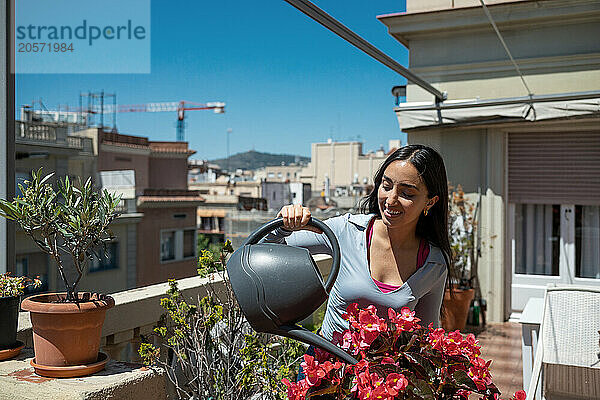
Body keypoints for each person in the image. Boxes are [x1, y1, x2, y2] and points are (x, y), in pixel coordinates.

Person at [261, 144, 452, 343]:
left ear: (430, 202)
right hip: (323, 368)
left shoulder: (434, 263)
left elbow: (425, 337)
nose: (391, 200)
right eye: (386, 186)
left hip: (381, 374)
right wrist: (283, 224)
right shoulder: (346, 231)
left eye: (407, 194)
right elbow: (265, 249)